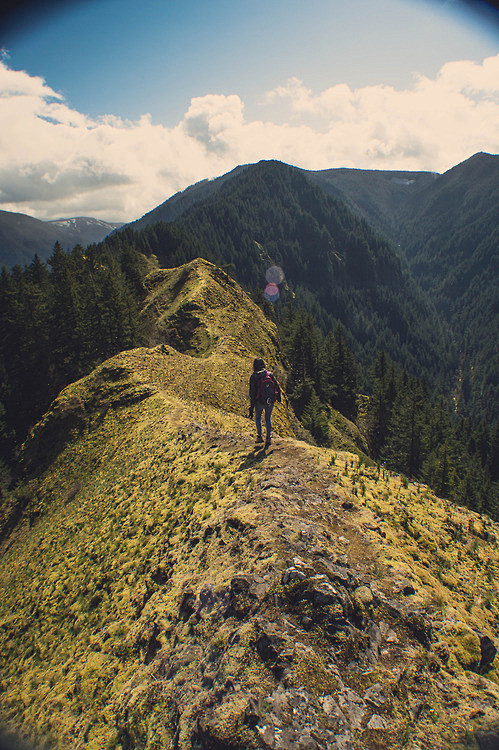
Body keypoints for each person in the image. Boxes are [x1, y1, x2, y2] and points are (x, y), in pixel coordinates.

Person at [248, 358, 281, 448]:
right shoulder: (269, 374)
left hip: (259, 401)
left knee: (258, 418)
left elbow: (252, 393)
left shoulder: (253, 377)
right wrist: (279, 397)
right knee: (268, 418)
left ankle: (259, 437)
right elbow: (277, 386)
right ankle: (268, 438)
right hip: (270, 400)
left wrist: (252, 407)